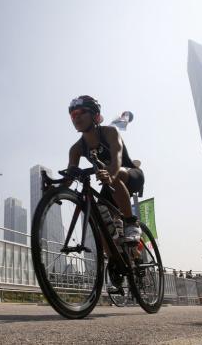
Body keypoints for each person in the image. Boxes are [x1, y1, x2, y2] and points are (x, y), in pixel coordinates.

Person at [66, 95, 145, 292]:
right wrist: (53, 187)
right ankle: (116, 262)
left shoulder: (110, 131)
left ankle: (130, 223)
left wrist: (110, 173)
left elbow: (117, 158)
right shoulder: (76, 148)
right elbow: (70, 175)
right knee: (99, 223)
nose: (76, 117)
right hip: (108, 186)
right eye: (72, 114)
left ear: (95, 116)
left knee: (116, 176)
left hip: (129, 175)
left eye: (81, 112)